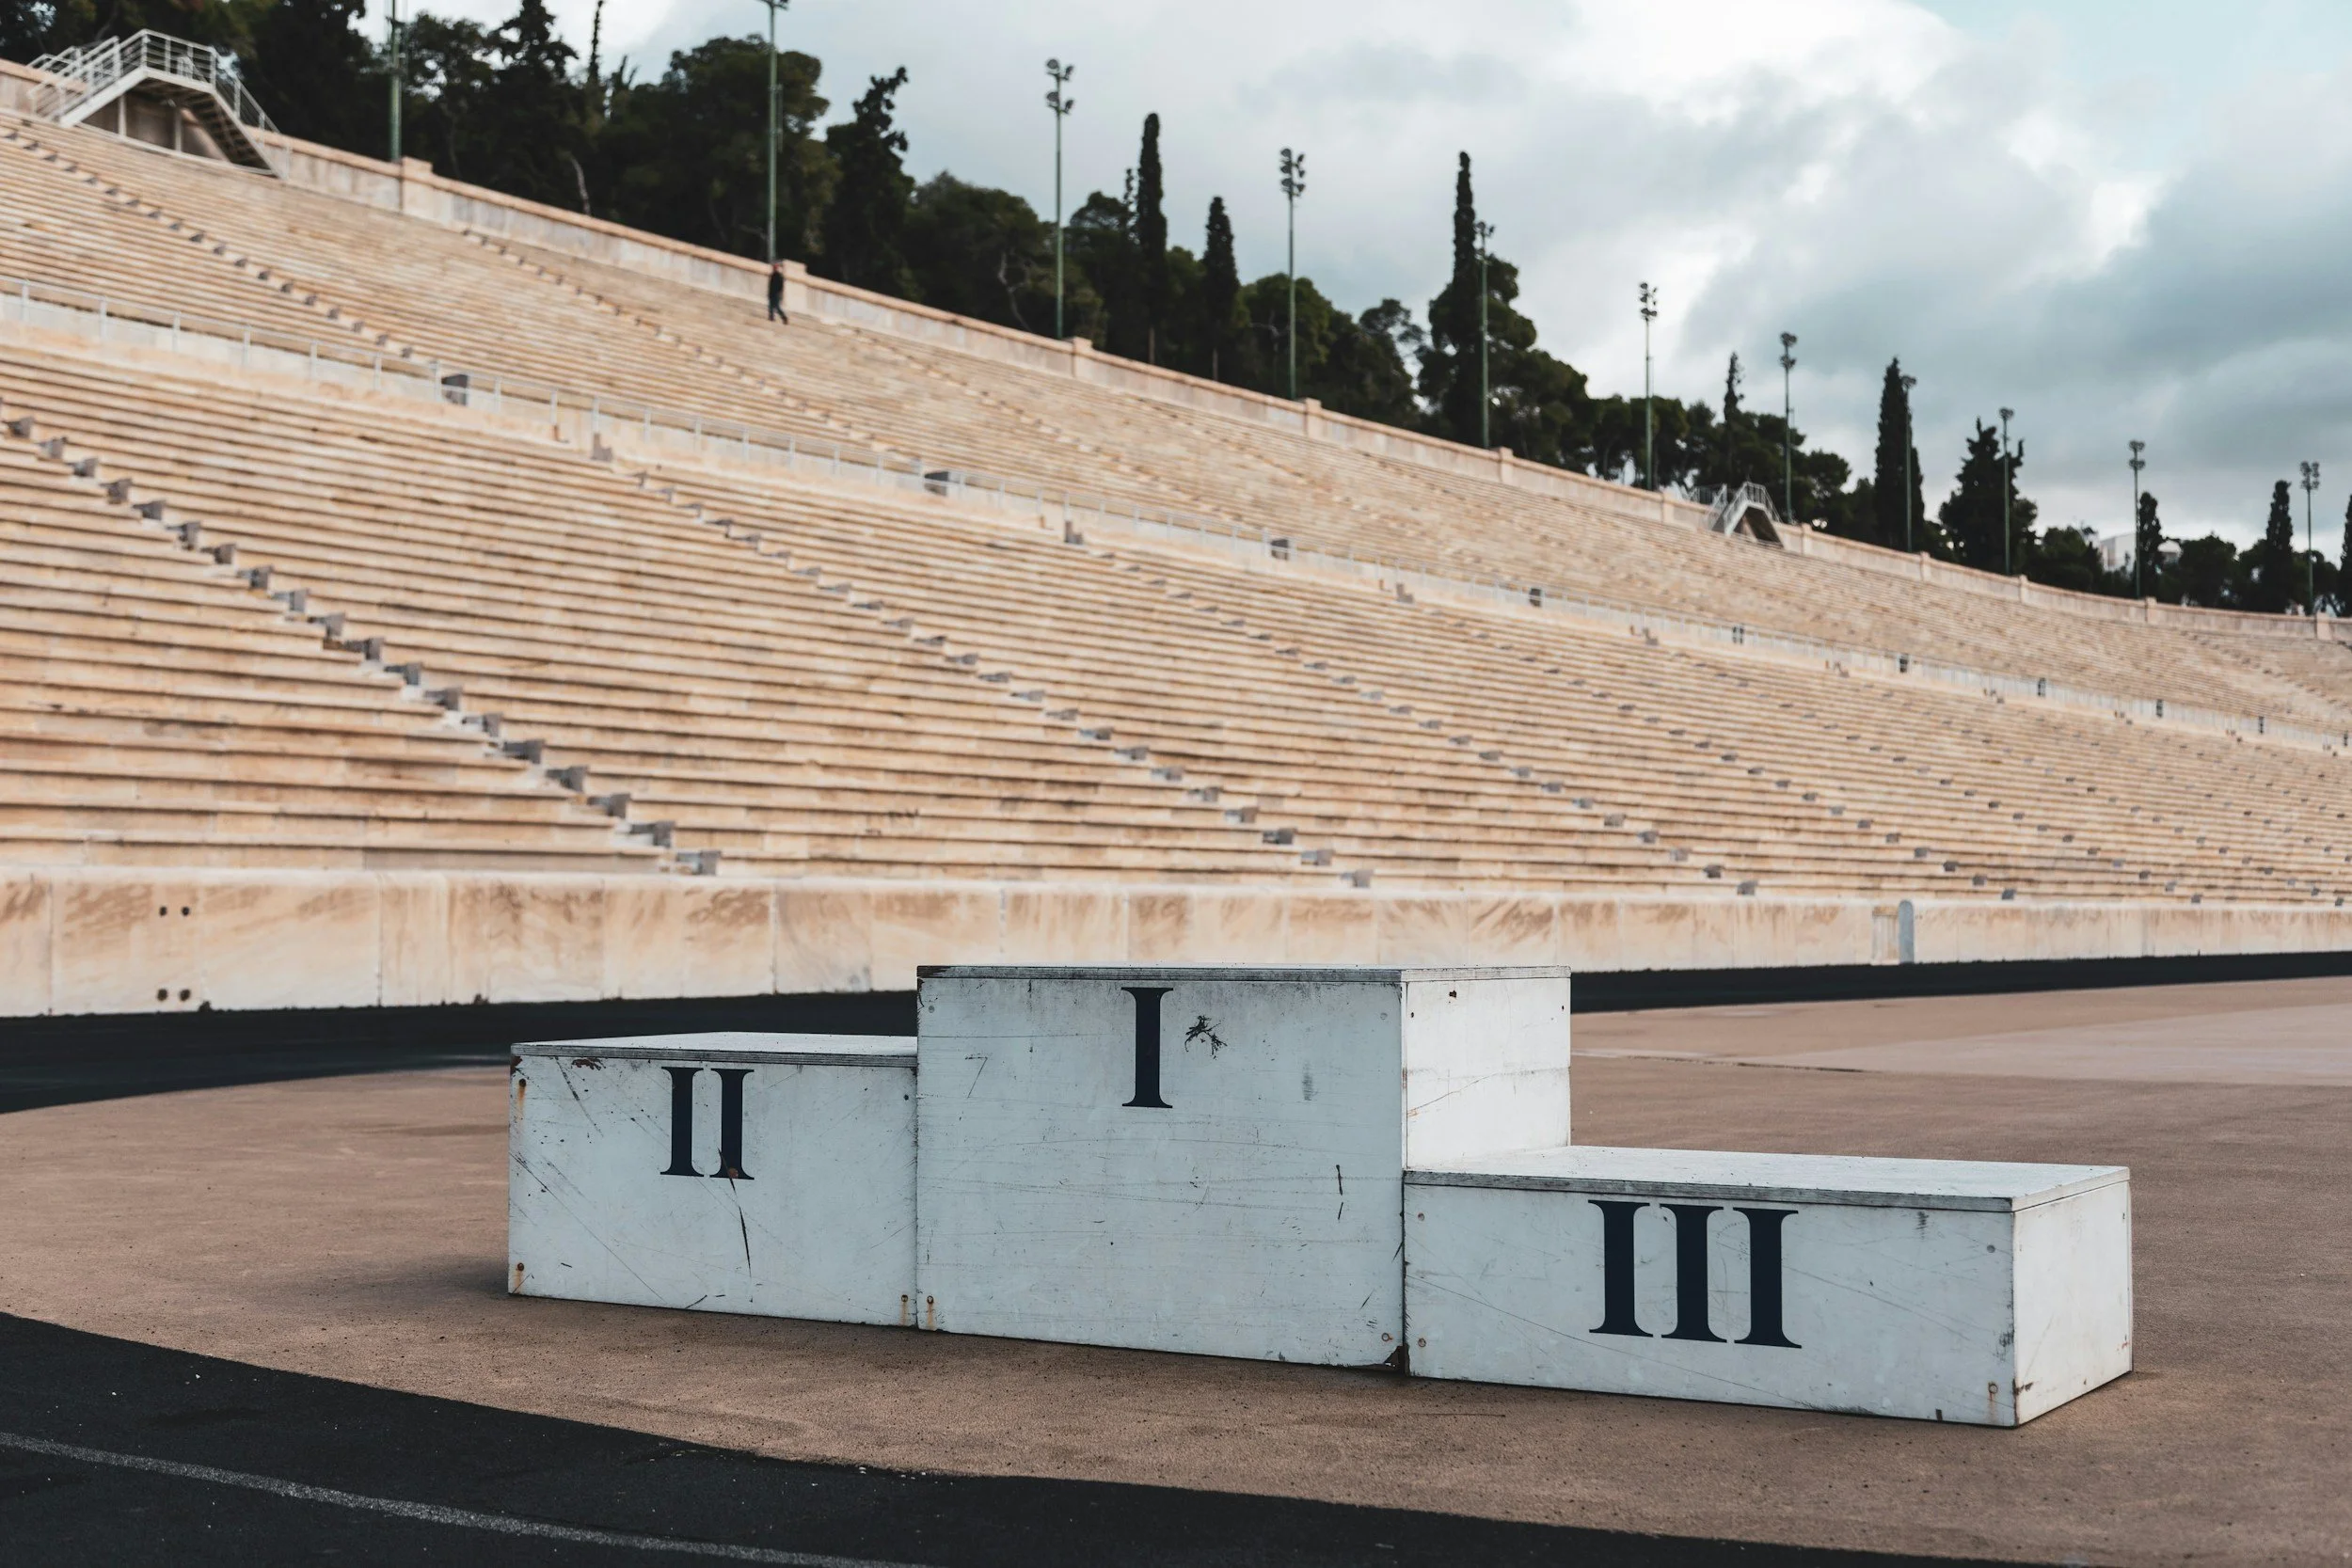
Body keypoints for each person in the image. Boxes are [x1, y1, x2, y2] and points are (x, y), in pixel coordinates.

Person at [767, 261, 787, 325]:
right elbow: (770, 286)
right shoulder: (772, 275)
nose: (774, 268)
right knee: (770, 306)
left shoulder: (779, 276)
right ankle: (771, 317)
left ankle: (784, 317)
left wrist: (779, 293)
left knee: (777, 307)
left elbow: (780, 286)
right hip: (772, 293)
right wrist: (769, 293)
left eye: (775, 267)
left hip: (776, 294)